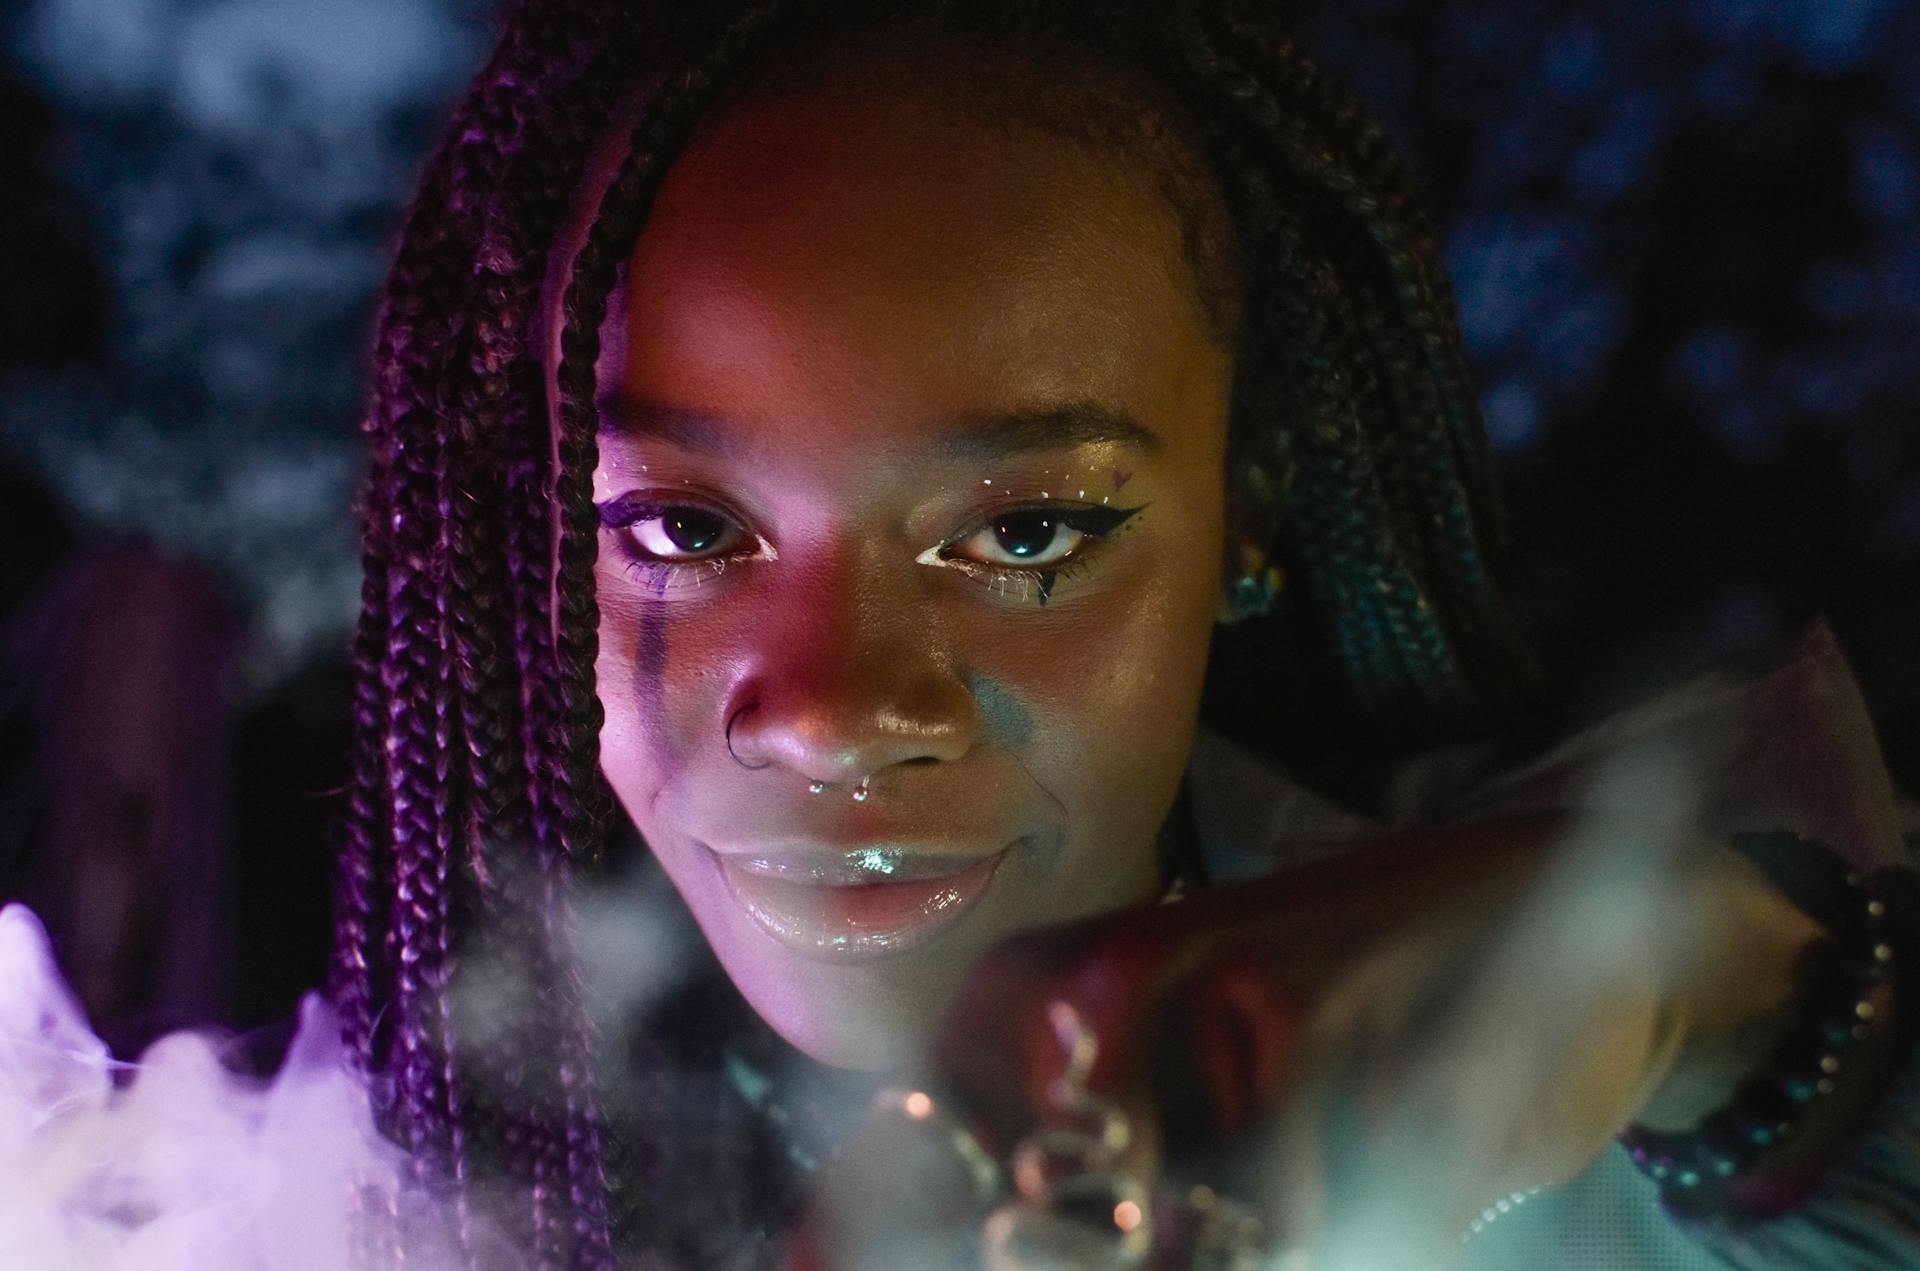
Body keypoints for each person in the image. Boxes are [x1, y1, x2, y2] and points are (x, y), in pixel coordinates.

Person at [312, 1, 1920, 1268]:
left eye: (1023, 536)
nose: (835, 713)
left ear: (1249, 517)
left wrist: (1717, 1003)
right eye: (681, 533)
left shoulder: (1624, 1168)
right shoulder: (305, 1181)